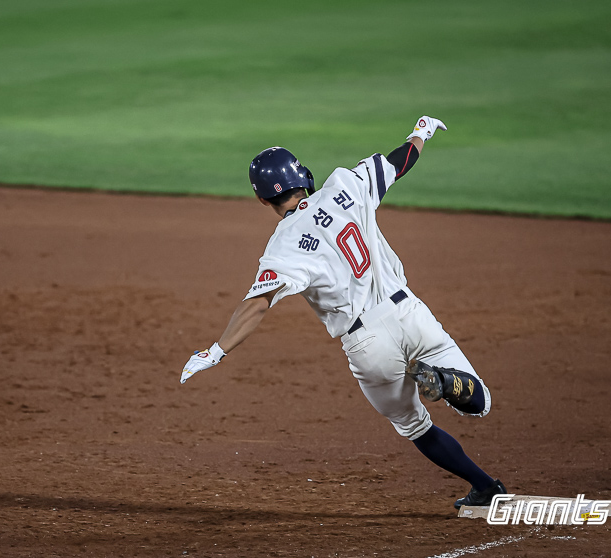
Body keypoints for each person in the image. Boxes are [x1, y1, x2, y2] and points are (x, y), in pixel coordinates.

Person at [179, 116, 506, 509]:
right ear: (304, 177)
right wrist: (420, 132)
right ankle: (443, 380)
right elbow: (398, 162)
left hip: (367, 344)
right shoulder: (345, 185)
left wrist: (216, 351)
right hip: (410, 313)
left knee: (414, 425)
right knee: (481, 400)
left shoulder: (283, 246)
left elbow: (257, 305)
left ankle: (485, 487)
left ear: (262, 200)